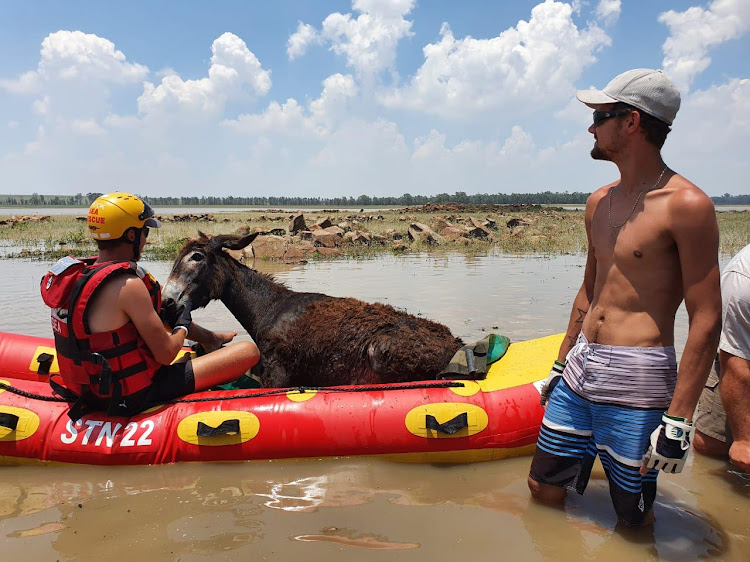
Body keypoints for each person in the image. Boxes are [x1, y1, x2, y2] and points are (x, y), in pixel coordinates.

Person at [527, 69, 722, 526]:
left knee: (631, 515)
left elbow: (707, 318)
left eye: (599, 116)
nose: (591, 128)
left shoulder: (687, 205)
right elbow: (589, 289)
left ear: (631, 122)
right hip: (581, 367)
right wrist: (560, 362)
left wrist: (679, 420)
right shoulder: (599, 201)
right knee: (543, 486)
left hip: (638, 374)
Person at [41, 192, 260, 419]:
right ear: (131, 235)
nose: (145, 239)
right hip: (131, 395)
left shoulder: (79, 275)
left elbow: (157, 322)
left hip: (87, 387)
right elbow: (166, 354)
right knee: (247, 352)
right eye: (145, 231)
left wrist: (210, 337)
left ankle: (211, 340)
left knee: (192, 354)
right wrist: (182, 327)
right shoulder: (129, 285)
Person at [693, 243, 750, 473]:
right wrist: (744, 440)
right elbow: (736, 363)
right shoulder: (743, 280)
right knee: (710, 446)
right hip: (739, 353)